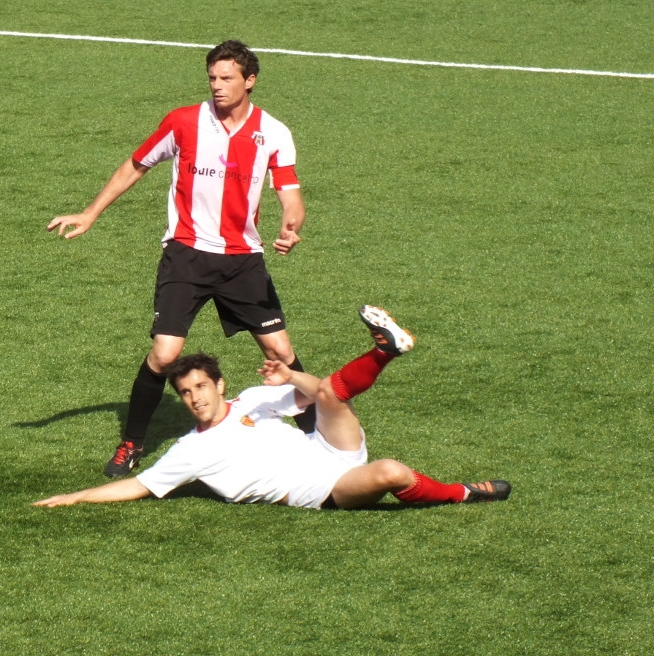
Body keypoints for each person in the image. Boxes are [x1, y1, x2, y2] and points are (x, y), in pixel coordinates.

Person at [47, 40, 315, 478]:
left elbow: (290, 193)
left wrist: (291, 225)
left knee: (280, 350)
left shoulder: (274, 132)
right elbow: (136, 165)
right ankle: (132, 443)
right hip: (186, 256)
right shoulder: (184, 122)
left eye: (226, 78)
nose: (217, 86)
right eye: (212, 78)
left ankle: (317, 439)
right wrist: (90, 212)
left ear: (249, 81)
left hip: (243, 260)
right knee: (165, 354)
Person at [34, 306, 511, 510]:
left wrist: (288, 376)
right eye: (186, 393)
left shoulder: (253, 400)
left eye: (201, 387)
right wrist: (74, 497)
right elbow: (139, 486)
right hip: (325, 488)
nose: (196, 398)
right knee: (390, 471)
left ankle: (386, 350)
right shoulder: (189, 451)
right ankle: (462, 493)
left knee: (329, 393)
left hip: (330, 448)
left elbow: (320, 391)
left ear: (219, 385)